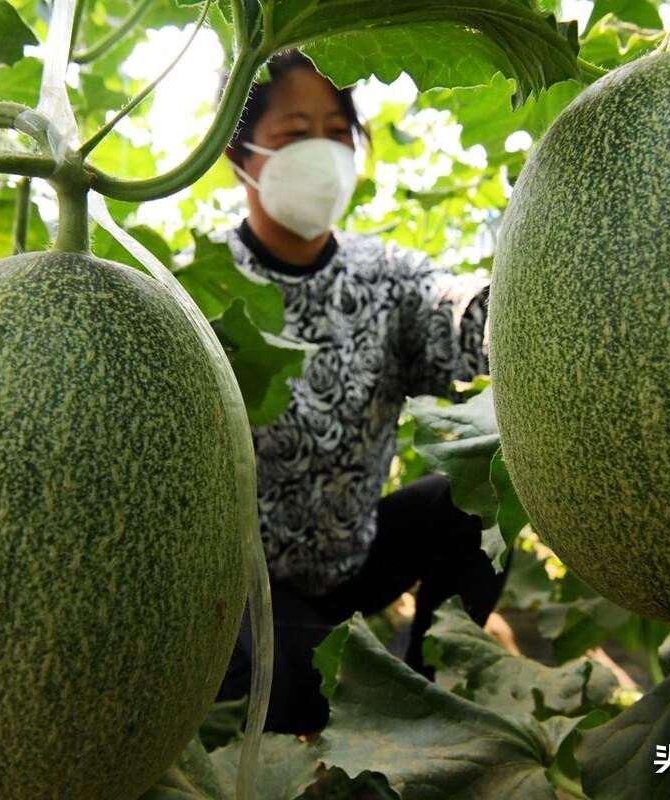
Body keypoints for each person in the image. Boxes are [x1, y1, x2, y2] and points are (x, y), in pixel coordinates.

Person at [213, 51, 508, 736]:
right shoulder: (199, 289)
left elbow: (456, 313)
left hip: (355, 556)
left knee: (480, 501)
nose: (321, 152)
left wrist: (531, 304)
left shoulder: (385, 275)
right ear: (240, 152)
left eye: (336, 131)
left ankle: (425, 692)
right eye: (294, 135)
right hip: (249, 588)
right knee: (303, 691)